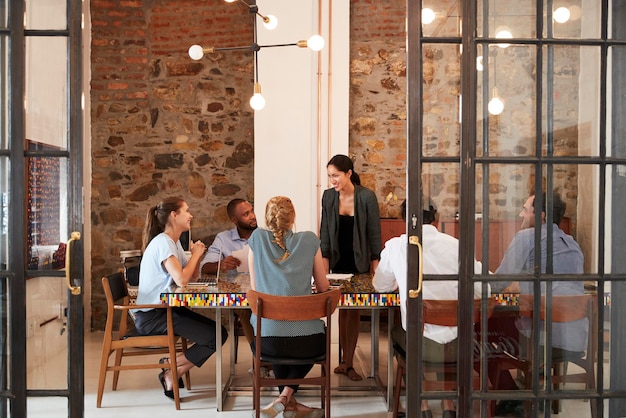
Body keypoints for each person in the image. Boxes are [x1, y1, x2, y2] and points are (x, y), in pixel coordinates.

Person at [373, 199, 485, 418]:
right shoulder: (456, 245)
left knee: (405, 333)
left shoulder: (396, 246)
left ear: (404, 220)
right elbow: (484, 285)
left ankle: (422, 407)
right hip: (458, 345)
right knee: (442, 335)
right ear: (436, 219)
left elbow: (381, 286)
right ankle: (448, 406)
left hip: (420, 345)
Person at [490, 192, 586, 416]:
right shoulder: (572, 243)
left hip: (540, 341)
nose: (520, 214)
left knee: (482, 329)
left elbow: (497, 283)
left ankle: (511, 396)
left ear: (540, 216)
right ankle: (533, 385)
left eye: (525, 209)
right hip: (574, 340)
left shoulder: (526, 237)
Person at [133, 196, 228, 400]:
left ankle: (171, 366)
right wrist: (195, 256)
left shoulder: (173, 242)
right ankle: (172, 370)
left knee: (219, 333)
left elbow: (192, 274)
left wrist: (196, 255)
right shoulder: (163, 243)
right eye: (186, 211)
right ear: (174, 216)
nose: (190, 215)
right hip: (153, 315)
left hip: (167, 309)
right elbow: (182, 280)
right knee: (215, 336)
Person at [248, 196, 330, 418]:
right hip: (307, 342)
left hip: (267, 341)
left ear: (267, 217)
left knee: (277, 337)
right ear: (293, 218)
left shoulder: (256, 239)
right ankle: (287, 399)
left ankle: (285, 400)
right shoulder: (310, 240)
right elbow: (323, 288)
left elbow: (255, 292)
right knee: (314, 339)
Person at [320, 154, 382, 382]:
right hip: (336, 260)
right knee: (339, 308)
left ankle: (348, 362)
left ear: (348, 173)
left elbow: (374, 234)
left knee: (353, 311)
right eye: (329, 176)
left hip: (359, 260)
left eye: (335, 175)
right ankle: (341, 361)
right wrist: (324, 267)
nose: (332, 180)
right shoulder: (328, 197)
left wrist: (375, 267)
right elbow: (324, 232)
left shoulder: (366, 197)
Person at [200, 198, 257, 348]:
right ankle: (260, 359)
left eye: (252, 211)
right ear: (234, 220)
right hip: (238, 294)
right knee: (247, 310)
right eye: (246, 214)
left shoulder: (264, 235)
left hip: (263, 290)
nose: (252, 216)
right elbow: (204, 267)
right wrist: (221, 265)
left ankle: (269, 357)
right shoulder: (223, 239)